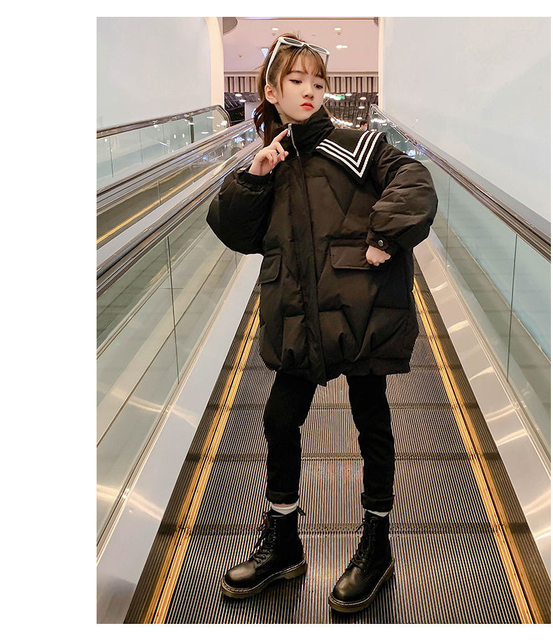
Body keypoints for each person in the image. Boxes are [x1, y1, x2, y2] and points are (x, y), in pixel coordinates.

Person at [207, 33, 438, 614]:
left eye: (317, 81)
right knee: (279, 419)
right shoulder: (273, 158)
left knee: (371, 421)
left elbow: (414, 181)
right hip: (298, 315)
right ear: (271, 91)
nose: (309, 91)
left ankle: (377, 545)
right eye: (296, 81)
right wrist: (255, 176)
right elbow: (234, 231)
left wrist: (386, 234)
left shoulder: (355, 144)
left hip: (361, 308)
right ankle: (283, 542)